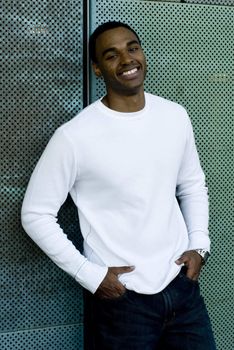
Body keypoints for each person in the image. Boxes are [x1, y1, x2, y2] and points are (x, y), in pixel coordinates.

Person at [21, 21, 216, 349]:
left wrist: (199, 245)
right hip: (123, 301)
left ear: (143, 55)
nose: (127, 60)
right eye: (111, 55)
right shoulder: (74, 137)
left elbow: (192, 185)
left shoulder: (174, 116)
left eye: (133, 48)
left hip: (182, 290)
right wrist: (90, 275)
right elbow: (35, 214)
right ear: (97, 69)